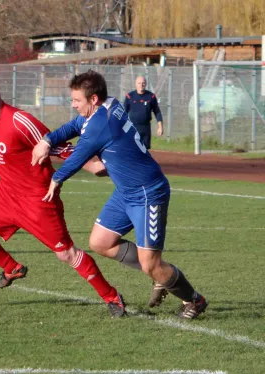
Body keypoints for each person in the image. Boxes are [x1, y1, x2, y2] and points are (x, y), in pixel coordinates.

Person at [32, 70, 208, 320]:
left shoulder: (100, 124)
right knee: (101, 242)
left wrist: (56, 179)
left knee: (152, 264)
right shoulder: (109, 103)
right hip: (125, 192)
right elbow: (74, 126)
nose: (73, 105)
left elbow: (80, 154)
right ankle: (159, 274)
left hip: (148, 192)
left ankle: (194, 300)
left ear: (93, 99)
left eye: (77, 100)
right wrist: (49, 140)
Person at [0, 80, 126, 318]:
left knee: (66, 254)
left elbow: (55, 146)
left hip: (38, 198)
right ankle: (11, 268)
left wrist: (93, 165)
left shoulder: (20, 122)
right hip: (5, 192)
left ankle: (111, 296)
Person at [123, 76, 163, 149]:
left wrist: (160, 127)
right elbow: (123, 114)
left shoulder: (151, 96)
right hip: (133, 127)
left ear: (146, 84)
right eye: (139, 83)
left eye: (143, 83)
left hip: (145, 128)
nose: (141, 85)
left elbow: (157, 112)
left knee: (144, 151)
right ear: (136, 84)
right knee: (133, 149)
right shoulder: (130, 96)